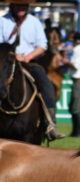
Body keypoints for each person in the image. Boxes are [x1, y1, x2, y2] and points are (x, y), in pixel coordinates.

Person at [0, 0, 65, 141]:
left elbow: (42, 45)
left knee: (46, 83)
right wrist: (12, 54)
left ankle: (50, 124)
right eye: (18, 5)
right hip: (6, 60)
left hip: (29, 62)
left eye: (24, 5)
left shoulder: (34, 22)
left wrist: (28, 56)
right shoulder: (2, 21)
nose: (21, 8)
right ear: (12, 6)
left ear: (28, 7)